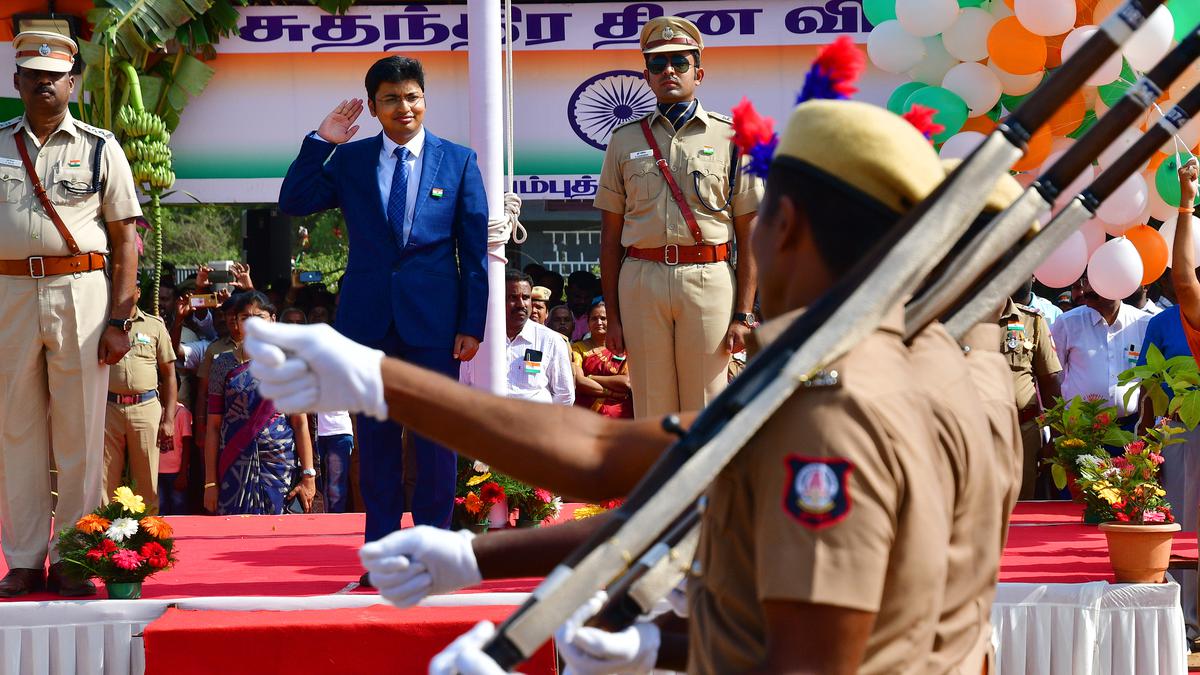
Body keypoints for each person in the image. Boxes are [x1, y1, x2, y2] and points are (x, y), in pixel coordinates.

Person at [245, 98, 954, 674]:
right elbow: (660, 479)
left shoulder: (829, 404)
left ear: (785, 226)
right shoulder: (926, 367)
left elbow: (811, 662)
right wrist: (477, 557)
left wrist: (381, 381)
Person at [279, 55, 487, 569]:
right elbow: (293, 200)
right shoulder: (350, 161)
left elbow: (475, 250)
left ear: (424, 100)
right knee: (375, 442)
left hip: (435, 324)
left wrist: (471, 322)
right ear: (373, 108)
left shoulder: (457, 160)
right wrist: (322, 140)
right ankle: (385, 553)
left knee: (437, 441)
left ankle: (436, 552)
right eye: (391, 99)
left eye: (412, 96)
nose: (404, 107)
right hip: (367, 321)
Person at [0, 31, 140, 598]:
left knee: (81, 432)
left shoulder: (102, 146)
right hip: (8, 293)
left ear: (71, 83)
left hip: (81, 290)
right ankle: (26, 560)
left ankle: (77, 557)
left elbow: (126, 238)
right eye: (31, 73)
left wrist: (121, 317)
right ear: (16, 82)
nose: (42, 82)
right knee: (16, 431)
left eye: (53, 74)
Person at [595, 16, 762, 420]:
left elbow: (750, 231)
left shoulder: (734, 136)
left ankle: (708, 485)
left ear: (698, 72)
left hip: (708, 278)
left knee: (707, 402)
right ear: (647, 76)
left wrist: (744, 313)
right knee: (652, 406)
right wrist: (612, 316)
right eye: (657, 64)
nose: (668, 71)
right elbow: (609, 235)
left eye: (679, 62)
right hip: (642, 279)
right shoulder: (624, 140)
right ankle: (661, 485)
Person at [203, 291, 316, 515]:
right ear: (236, 322)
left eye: (259, 317)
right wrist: (210, 483)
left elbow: (300, 423)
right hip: (234, 462)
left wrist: (308, 476)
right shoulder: (223, 365)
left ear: (272, 321)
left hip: (278, 462)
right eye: (245, 318)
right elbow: (214, 427)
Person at [104, 286, 178, 512]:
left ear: (138, 292)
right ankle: (103, 537)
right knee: (104, 479)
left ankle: (148, 536)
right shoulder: (102, 325)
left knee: (146, 479)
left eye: (129, 291)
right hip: (108, 407)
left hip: (145, 406)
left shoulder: (154, 325)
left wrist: (169, 419)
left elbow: (169, 374)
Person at [1051, 274, 1149, 442]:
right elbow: (1052, 377)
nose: (1085, 289)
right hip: (1079, 432)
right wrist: (1057, 429)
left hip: (1131, 430)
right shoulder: (1067, 323)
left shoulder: (1144, 323)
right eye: (1086, 282)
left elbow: (1151, 382)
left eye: (1095, 281)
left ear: (1119, 284)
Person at [460, 270, 574, 405]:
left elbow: (565, 395)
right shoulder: (476, 338)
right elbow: (462, 387)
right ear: (498, 299)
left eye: (525, 297)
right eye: (513, 297)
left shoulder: (550, 341)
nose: (521, 304)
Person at [1000, 292, 1062, 499]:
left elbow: (1050, 380)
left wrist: (1055, 436)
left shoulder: (1031, 320)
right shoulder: (964, 322)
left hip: (1023, 430)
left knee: (1023, 504)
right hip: (975, 429)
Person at [571, 301, 632, 418]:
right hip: (588, 415)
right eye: (594, 319)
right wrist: (613, 393)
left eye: (603, 318)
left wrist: (591, 377)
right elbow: (579, 382)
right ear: (588, 323)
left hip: (621, 416)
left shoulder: (623, 348)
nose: (599, 322)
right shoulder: (578, 348)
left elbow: (627, 382)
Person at [159, 396, 193, 516]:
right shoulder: (153, 409)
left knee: (178, 509)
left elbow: (187, 443)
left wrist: (183, 473)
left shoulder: (182, 412)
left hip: (176, 472)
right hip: (156, 472)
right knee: (159, 510)